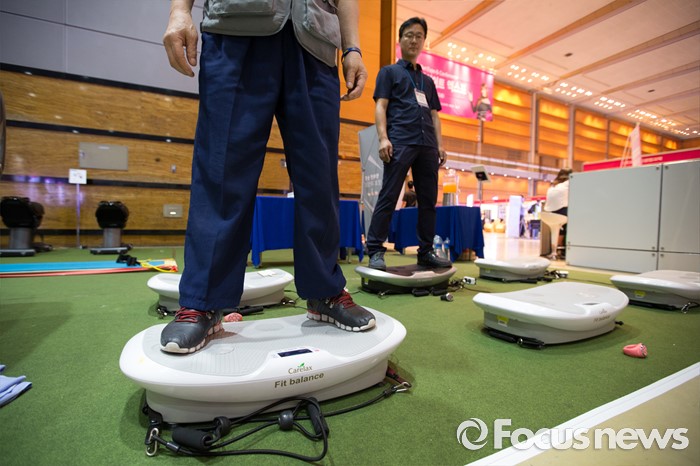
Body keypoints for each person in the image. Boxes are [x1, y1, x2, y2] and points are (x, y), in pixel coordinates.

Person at [160, 0, 375, 354]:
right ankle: (203, 300)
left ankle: (324, 291)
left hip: (316, 44)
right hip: (235, 29)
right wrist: (179, 11)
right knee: (222, 169)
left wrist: (352, 48)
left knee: (320, 176)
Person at [365, 17, 452, 272]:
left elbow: (435, 116)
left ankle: (425, 252)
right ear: (400, 40)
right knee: (389, 195)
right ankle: (375, 250)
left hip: (427, 146)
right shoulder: (389, 72)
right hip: (401, 141)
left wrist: (440, 145)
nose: (414, 40)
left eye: (419, 36)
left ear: (424, 41)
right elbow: (381, 106)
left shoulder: (428, 82)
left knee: (428, 201)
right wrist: (383, 137)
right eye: (409, 35)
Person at [544, 168, 572, 251]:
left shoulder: (553, 185)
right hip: (562, 211)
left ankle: (556, 249)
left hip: (551, 213)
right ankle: (562, 249)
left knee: (558, 228)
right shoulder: (569, 183)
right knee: (569, 226)